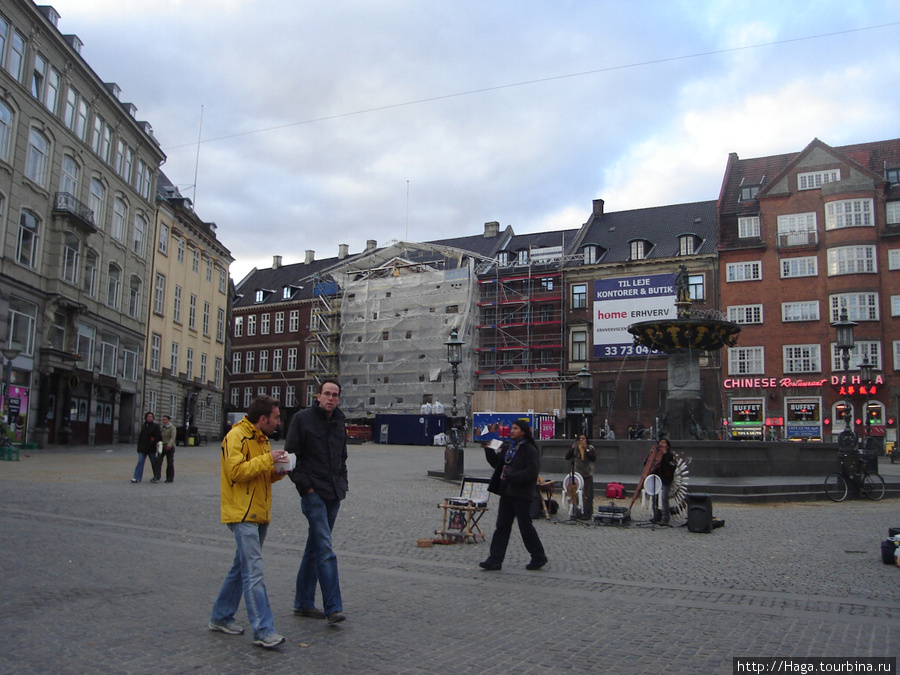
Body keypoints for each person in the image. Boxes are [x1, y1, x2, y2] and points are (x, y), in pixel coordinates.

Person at [209, 395, 287, 649]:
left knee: (240, 567)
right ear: (263, 419)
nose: (278, 423)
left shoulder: (261, 438)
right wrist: (268, 460)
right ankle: (264, 630)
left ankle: (221, 616)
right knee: (253, 571)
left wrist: (277, 474)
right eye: (276, 418)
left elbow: (258, 474)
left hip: (258, 512)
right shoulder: (237, 436)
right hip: (242, 513)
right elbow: (236, 472)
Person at [285, 379, 348, 625]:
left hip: (334, 493)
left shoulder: (339, 421)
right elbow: (291, 457)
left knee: (314, 548)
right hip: (313, 493)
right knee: (324, 548)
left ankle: (302, 603)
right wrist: (306, 487)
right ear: (318, 396)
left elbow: (342, 456)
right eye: (327, 394)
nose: (331, 398)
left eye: (335, 395)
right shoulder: (302, 420)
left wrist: (342, 482)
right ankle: (333, 608)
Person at [479, 418, 547, 571]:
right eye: (512, 428)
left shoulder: (530, 449)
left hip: (521, 493)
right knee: (501, 526)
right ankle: (495, 559)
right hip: (507, 492)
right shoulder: (509, 447)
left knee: (525, 527)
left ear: (523, 431)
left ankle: (538, 556)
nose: (512, 430)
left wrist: (512, 477)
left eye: (515, 428)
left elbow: (532, 472)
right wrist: (488, 450)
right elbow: (498, 464)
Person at [565, 434, 596, 519]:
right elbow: (567, 457)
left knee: (587, 495)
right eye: (580, 438)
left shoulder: (590, 448)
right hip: (577, 475)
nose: (582, 440)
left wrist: (585, 449)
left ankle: (587, 513)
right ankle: (576, 512)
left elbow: (593, 458)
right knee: (576, 494)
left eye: (583, 438)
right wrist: (572, 448)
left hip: (587, 474)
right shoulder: (576, 448)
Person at [649, 437, 677, 526]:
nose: (662, 444)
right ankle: (657, 515)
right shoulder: (655, 454)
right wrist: (650, 455)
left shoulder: (670, 455)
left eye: (664, 443)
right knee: (654, 497)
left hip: (666, 479)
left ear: (667, 446)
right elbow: (647, 464)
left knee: (664, 498)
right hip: (657, 478)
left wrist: (664, 456)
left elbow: (672, 467)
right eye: (661, 442)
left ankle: (666, 517)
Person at [131, 412, 161, 483]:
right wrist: (139, 447)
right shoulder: (144, 426)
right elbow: (140, 438)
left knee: (154, 463)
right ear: (146, 418)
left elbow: (158, 437)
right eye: (148, 417)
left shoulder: (156, 426)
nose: (150, 418)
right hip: (143, 448)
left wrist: (152, 441)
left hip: (151, 448)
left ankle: (156, 476)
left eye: (151, 417)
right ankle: (137, 477)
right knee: (140, 462)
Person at [159, 415, 177, 483]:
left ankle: (169, 478)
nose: (164, 421)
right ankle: (157, 476)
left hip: (170, 447)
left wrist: (169, 445)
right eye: (163, 420)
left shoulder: (172, 428)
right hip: (162, 446)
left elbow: (173, 437)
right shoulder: (162, 428)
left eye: (165, 420)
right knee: (158, 461)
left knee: (170, 463)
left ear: (169, 420)